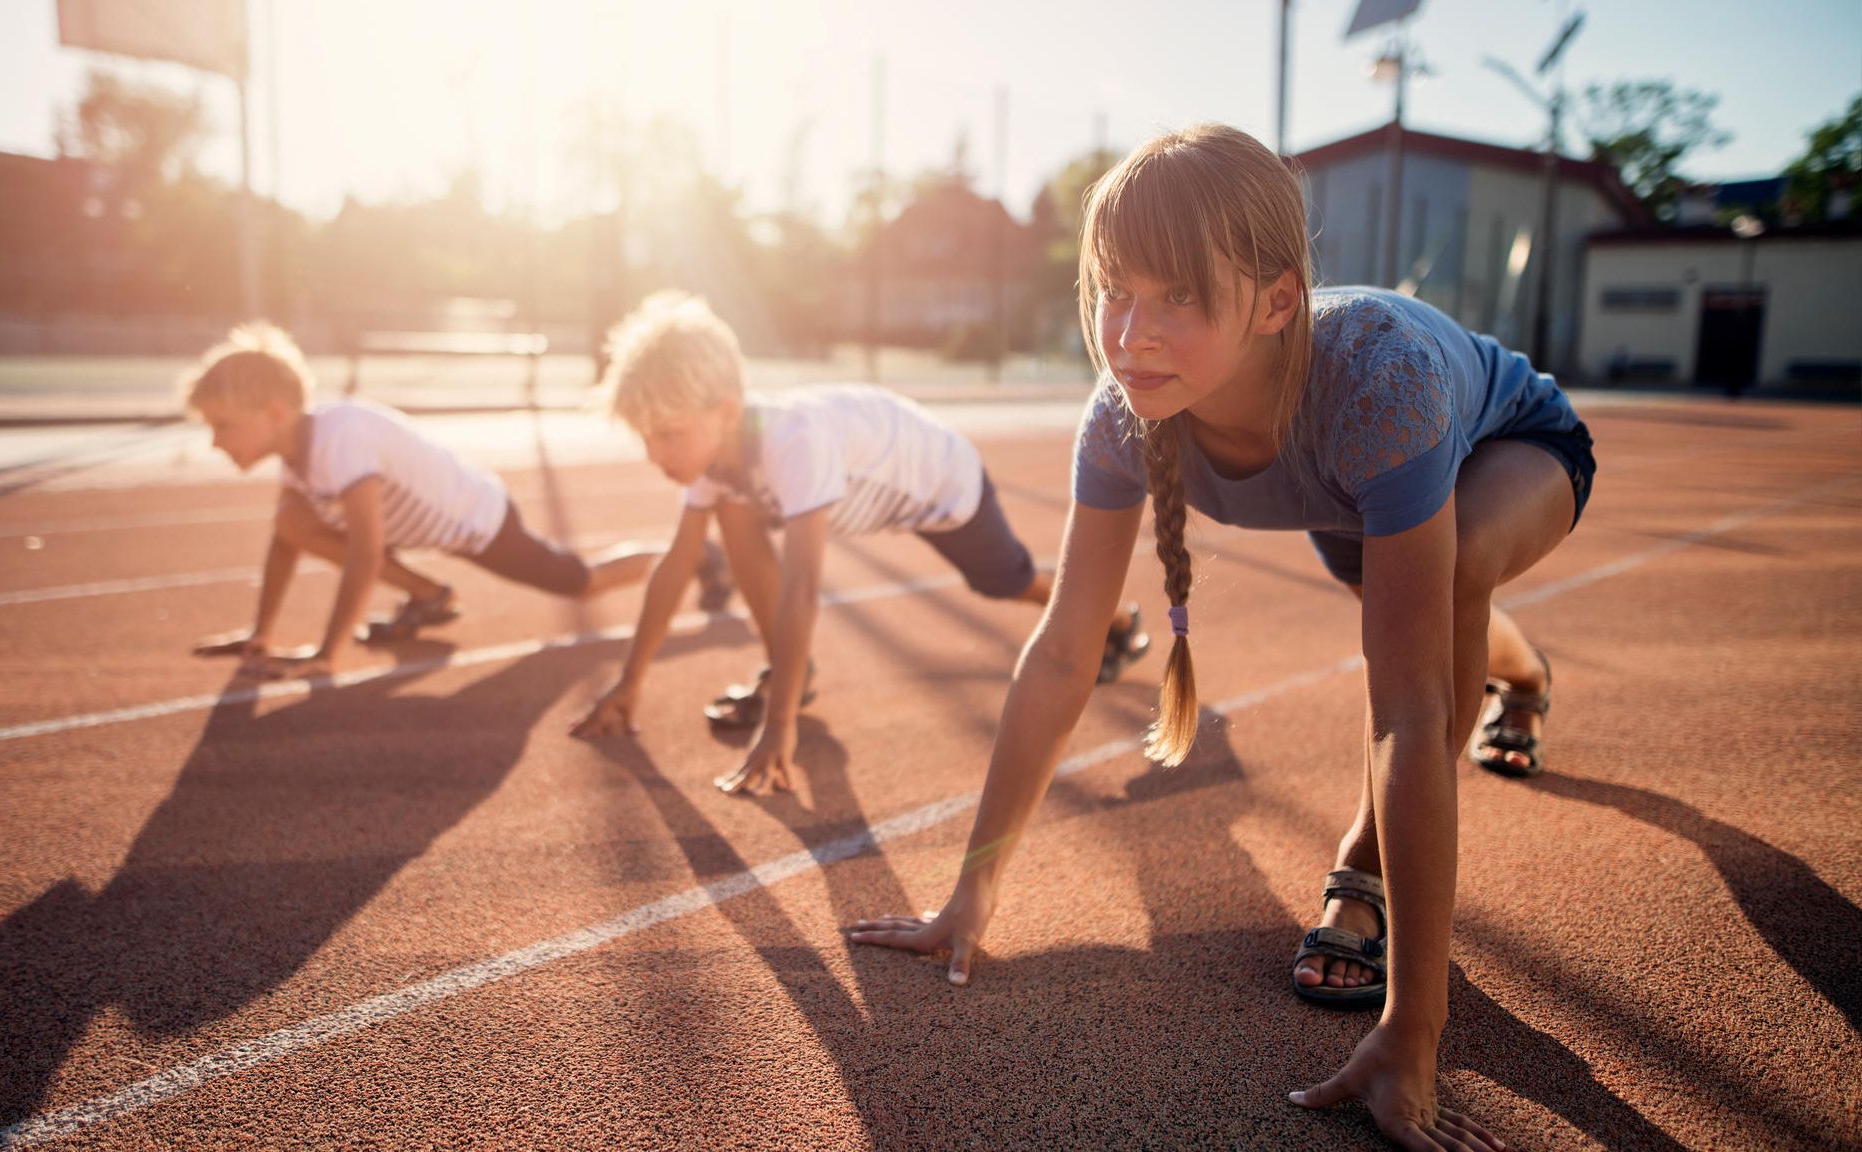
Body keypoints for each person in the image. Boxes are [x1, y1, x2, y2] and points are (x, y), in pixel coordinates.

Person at [848, 123, 1592, 1152]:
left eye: (1180, 297)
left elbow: (1409, 715)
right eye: (1116, 290)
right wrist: (967, 892)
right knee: (1432, 610)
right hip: (1356, 502)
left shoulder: (1380, 385)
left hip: (1514, 448)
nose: (1132, 334)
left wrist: (1411, 1030)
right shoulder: (1122, 419)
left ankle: (1360, 869)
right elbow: (1065, 650)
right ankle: (1523, 674)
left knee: (1447, 591)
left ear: (1278, 299)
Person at [569, 292, 1151, 794]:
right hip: (877, 478)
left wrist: (778, 726)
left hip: (942, 484)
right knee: (732, 511)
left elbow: (801, 591)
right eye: (646, 438)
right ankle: (790, 672)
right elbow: (676, 566)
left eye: (667, 435)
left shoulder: (792, 443)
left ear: (724, 412)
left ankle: (1115, 622)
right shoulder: (713, 459)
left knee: (1005, 582)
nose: (655, 455)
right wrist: (629, 682)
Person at [182, 323, 731, 679]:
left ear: (275, 412)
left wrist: (328, 653)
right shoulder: (298, 454)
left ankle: (700, 557)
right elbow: (286, 543)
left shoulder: (339, 440)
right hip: (422, 526)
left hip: (477, 519)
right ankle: (430, 597)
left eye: (224, 426)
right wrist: (262, 635)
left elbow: (365, 553)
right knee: (291, 521)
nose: (215, 441)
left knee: (577, 580)